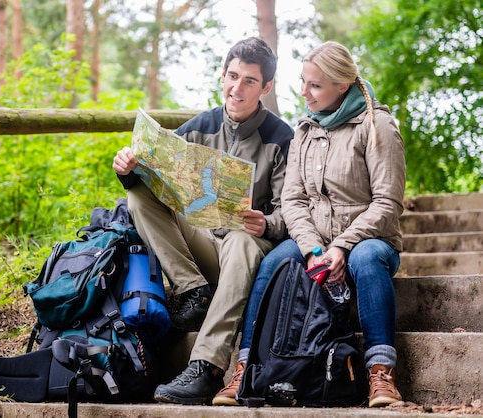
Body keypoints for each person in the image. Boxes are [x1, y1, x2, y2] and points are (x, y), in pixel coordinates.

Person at [212, 40, 406, 408]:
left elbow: (387, 203)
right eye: (303, 82)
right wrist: (314, 249)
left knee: (365, 260)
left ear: (342, 86)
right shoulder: (304, 130)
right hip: (314, 240)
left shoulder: (377, 125)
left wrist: (342, 247)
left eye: (315, 85)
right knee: (272, 264)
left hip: (370, 240)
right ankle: (244, 370)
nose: (304, 92)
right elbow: (294, 201)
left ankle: (381, 373)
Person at [112, 37, 293, 405]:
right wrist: (129, 171)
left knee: (242, 239)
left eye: (249, 81)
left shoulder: (281, 137)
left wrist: (268, 224)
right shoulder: (199, 128)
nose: (236, 88)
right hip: (202, 248)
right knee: (138, 195)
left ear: (267, 87)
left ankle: (207, 368)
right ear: (222, 75)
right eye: (232, 76)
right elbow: (156, 184)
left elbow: (291, 212)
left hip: (246, 252)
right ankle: (193, 290)